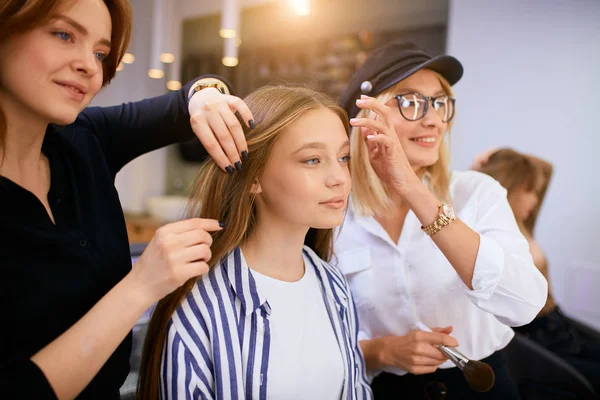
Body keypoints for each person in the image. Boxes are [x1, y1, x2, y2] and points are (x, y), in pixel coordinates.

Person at [0, 0, 256, 398]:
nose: (90, 66)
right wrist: (142, 284)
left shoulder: (86, 139)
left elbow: (185, 99)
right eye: (64, 34)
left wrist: (207, 95)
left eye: (100, 53)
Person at [332, 42, 549, 399]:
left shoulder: (477, 193)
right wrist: (380, 351)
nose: (434, 120)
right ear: (367, 116)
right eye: (411, 102)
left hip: (481, 388)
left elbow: (524, 304)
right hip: (380, 390)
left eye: (440, 103)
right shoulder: (332, 213)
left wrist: (413, 190)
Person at [137, 85, 373, 400]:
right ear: (253, 177)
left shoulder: (333, 284)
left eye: (343, 157)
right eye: (313, 160)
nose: (339, 177)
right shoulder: (201, 303)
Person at [474, 148, 600, 394]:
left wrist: (497, 156)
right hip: (537, 338)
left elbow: (547, 170)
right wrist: (477, 175)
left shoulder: (523, 225)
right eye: (529, 191)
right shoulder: (495, 236)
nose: (535, 200)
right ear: (509, 188)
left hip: (559, 327)